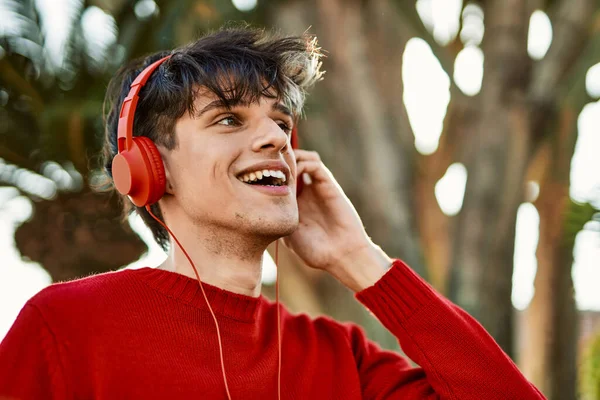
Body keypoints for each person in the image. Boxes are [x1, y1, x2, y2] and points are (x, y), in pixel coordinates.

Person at [0, 27, 545, 400]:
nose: (274, 139)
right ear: (146, 167)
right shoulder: (67, 328)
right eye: (229, 119)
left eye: (281, 122)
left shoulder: (344, 358)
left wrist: (360, 259)